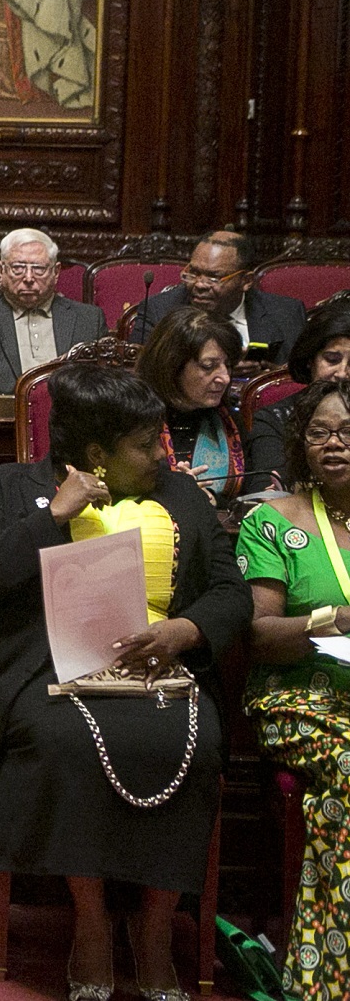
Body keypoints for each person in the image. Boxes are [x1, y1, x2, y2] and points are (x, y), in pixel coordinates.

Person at [0, 365, 249, 1001]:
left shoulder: (182, 497)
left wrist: (183, 632)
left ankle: (154, 927)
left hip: (164, 675)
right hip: (47, 675)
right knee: (65, 744)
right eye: (146, 445)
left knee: (191, 747)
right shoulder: (8, 489)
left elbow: (231, 593)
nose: (161, 456)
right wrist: (49, 520)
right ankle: (89, 924)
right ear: (96, 455)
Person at [236, 379, 350, 1000]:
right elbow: (260, 633)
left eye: (348, 433)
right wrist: (331, 620)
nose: (333, 444)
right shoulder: (274, 520)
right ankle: (326, 976)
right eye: (320, 432)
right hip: (300, 699)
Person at [0, 227, 105, 393]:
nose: (28, 278)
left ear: (56, 272)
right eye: (18, 268)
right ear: (2, 271)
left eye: (38, 268)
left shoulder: (89, 319)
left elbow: (102, 391)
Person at [128, 229, 307, 365]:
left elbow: (299, 377)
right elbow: (144, 374)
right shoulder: (159, 311)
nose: (199, 285)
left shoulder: (286, 313)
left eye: (214, 277)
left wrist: (266, 374)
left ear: (246, 280)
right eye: (194, 273)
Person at [137, 307, 244, 505]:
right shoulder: (133, 421)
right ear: (172, 365)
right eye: (208, 366)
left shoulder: (229, 420)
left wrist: (211, 499)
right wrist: (177, 488)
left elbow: (254, 494)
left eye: (227, 365)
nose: (225, 378)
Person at [244, 299, 350, 493]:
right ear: (310, 360)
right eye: (332, 360)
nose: (342, 373)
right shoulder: (274, 417)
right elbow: (268, 486)